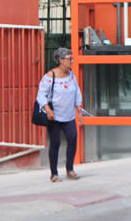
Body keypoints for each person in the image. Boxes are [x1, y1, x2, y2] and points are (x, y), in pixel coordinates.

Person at [37, 47, 83, 182]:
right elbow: (41, 95)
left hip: (68, 115)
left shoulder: (72, 75)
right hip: (54, 117)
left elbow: (77, 93)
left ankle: (70, 169)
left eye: (72, 58)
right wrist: (48, 109)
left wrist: (79, 109)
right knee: (55, 143)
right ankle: (54, 173)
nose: (72, 61)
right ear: (61, 60)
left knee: (73, 139)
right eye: (70, 59)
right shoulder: (50, 76)